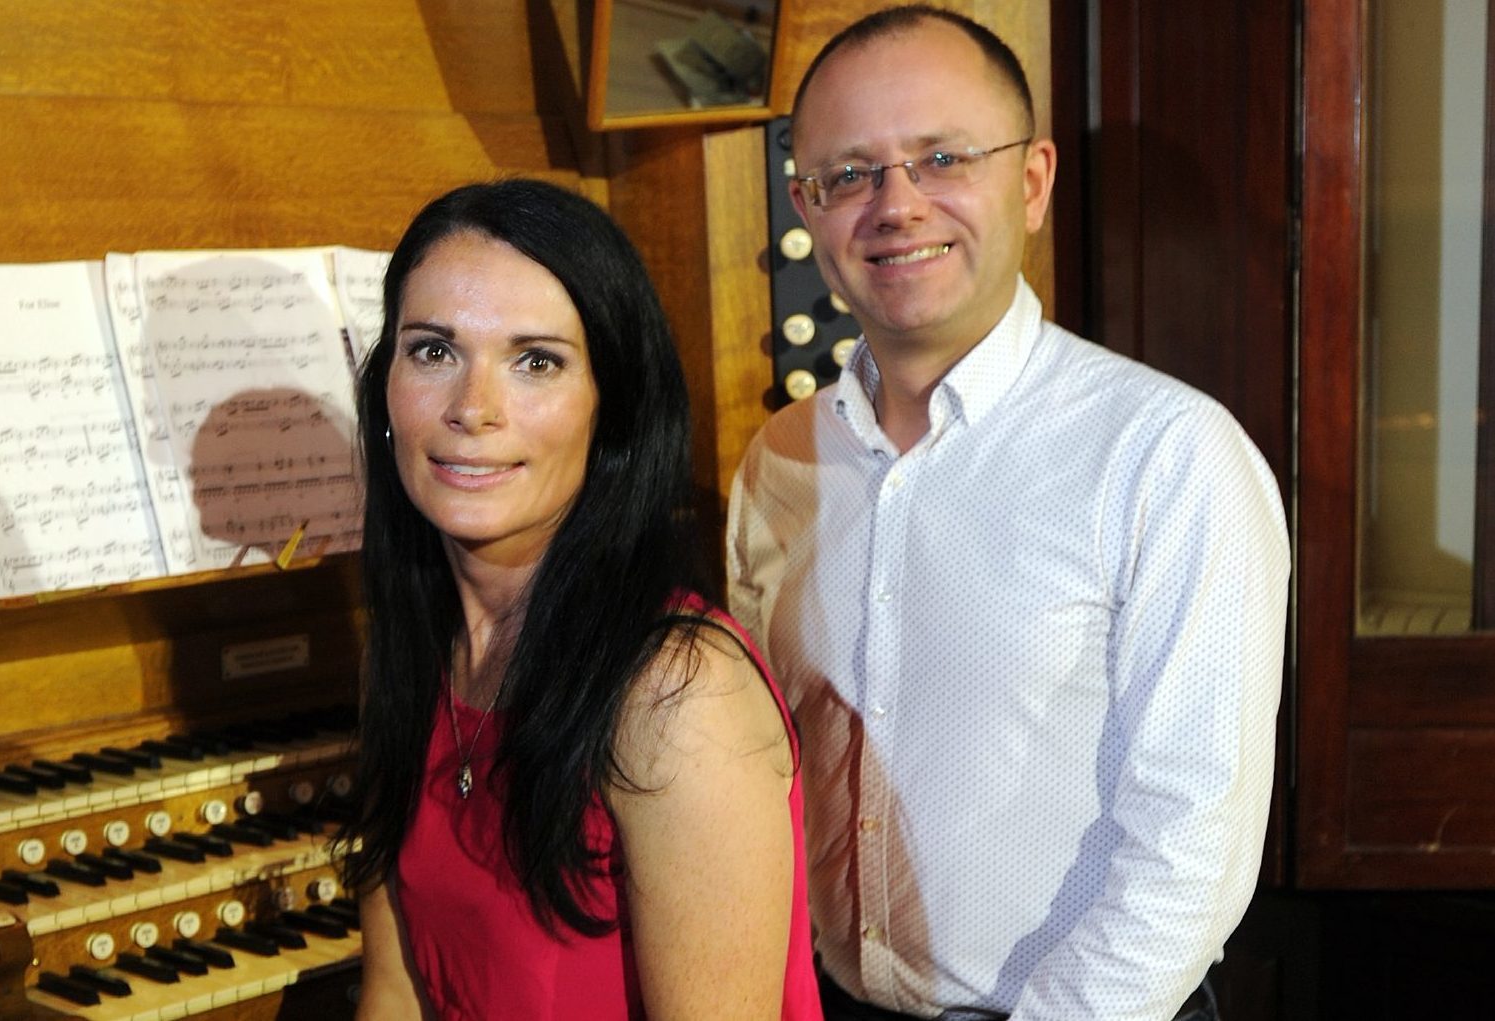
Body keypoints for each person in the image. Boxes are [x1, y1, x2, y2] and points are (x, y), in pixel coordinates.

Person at [727, 7, 1290, 1021]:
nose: (895, 205)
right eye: (849, 174)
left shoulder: (1165, 454)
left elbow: (1185, 852)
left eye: (941, 157)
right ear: (803, 203)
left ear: (1028, 183)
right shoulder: (777, 460)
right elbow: (764, 767)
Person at [341, 179, 822, 1020]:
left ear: (612, 407)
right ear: (386, 388)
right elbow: (393, 991)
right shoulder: (413, 639)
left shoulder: (677, 692)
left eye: (536, 361)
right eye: (432, 351)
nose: (471, 409)